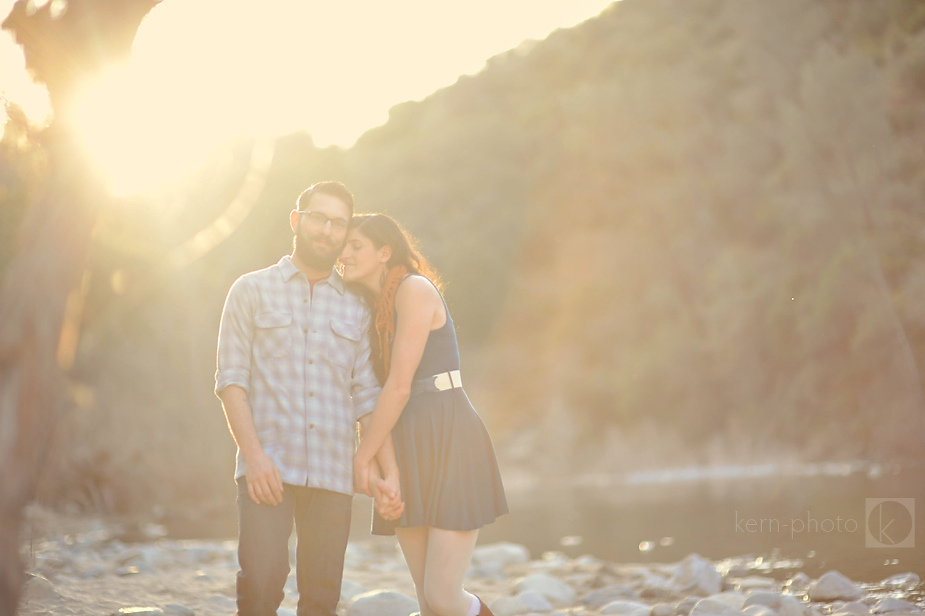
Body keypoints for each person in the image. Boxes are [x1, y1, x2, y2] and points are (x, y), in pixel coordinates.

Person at [214, 182, 403, 616]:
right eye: (319, 218)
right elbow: (231, 381)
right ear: (297, 220)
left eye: (338, 223)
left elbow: (368, 399)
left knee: (321, 598)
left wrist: (385, 472)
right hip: (268, 471)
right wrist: (254, 457)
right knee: (260, 587)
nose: (327, 230)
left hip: (333, 477)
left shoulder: (359, 307)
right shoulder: (250, 290)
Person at [340, 213, 509, 616]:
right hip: (406, 443)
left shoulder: (413, 289)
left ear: (385, 252)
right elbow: (371, 395)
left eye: (355, 245)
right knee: (426, 603)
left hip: (449, 436)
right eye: (342, 246)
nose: (343, 253)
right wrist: (387, 468)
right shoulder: (371, 309)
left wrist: (363, 457)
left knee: (442, 596)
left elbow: (399, 387)